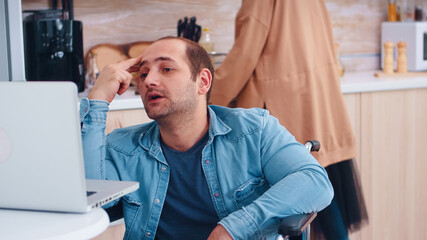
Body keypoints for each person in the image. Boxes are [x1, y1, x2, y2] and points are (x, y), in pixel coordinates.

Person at [80, 36, 333, 240]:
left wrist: (233, 229)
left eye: (166, 69)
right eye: (143, 74)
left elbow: (315, 181)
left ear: (203, 81)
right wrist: (98, 100)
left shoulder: (254, 130)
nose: (149, 81)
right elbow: (88, 203)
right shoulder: (123, 147)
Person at [209, 0, 368, 239]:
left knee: (294, 198)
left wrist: (208, 95)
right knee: (319, 196)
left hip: (285, 104)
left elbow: (245, 54)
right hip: (316, 98)